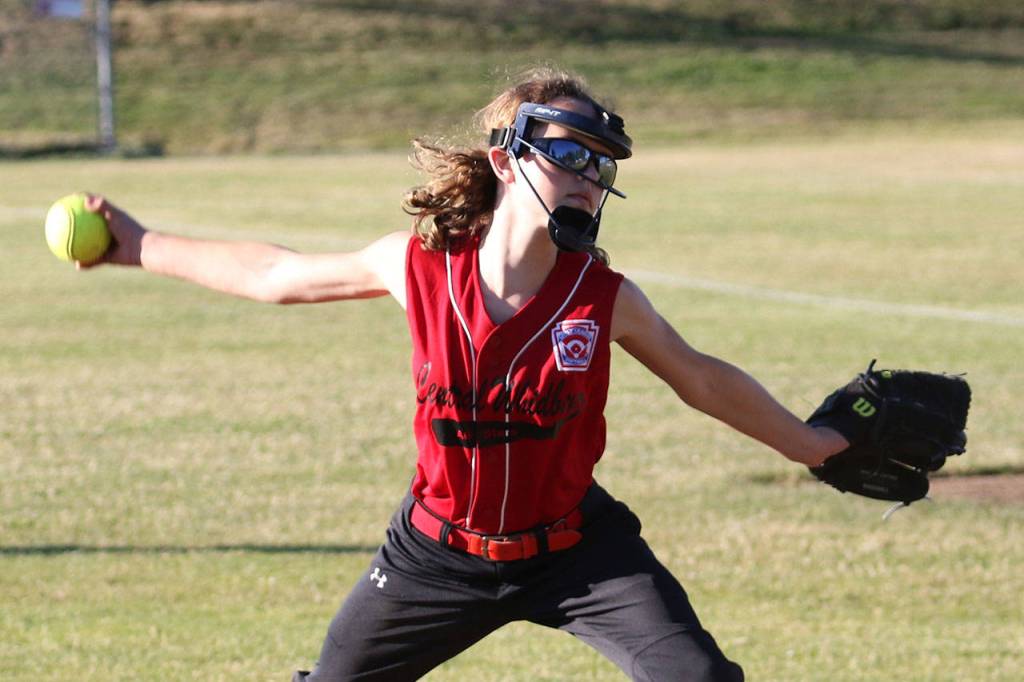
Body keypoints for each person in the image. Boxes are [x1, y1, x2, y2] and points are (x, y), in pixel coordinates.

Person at [81, 68, 847, 681]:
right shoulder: (415, 267)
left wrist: (813, 446)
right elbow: (275, 275)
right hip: (437, 555)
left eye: (601, 166)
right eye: (571, 155)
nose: (588, 179)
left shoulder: (602, 297)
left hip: (580, 552)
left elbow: (702, 379)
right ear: (507, 158)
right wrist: (138, 245)